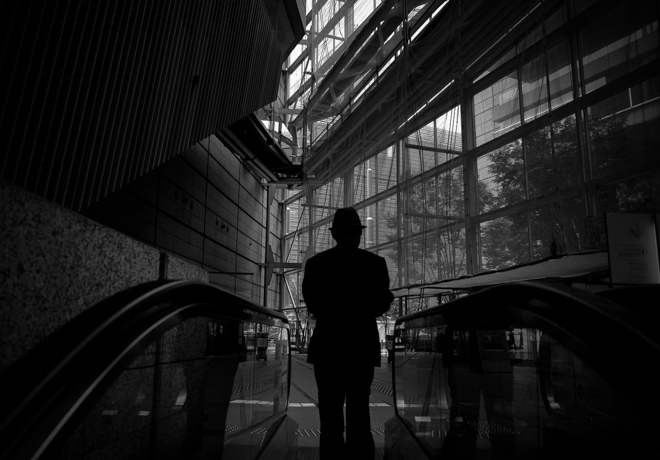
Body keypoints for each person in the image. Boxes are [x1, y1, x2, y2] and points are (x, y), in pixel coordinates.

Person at [302, 207, 394, 459]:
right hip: (360, 348)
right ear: (358, 234)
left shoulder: (316, 264)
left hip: (328, 347)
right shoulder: (375, 263)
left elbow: (313, 304)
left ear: (334, 235)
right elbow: (379, 305)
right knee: (359, 412)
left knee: (330, 415)